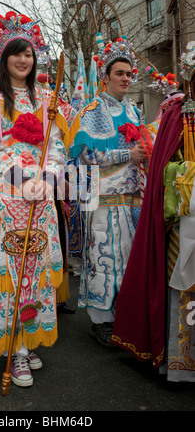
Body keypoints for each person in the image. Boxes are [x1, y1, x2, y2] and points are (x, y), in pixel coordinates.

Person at [0, 11, 74, 388]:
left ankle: (27, 337)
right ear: (4, 58)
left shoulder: (47, 97)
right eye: (16, 52)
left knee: (37, 275)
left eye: (28, 52)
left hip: (40, 200)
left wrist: (48, 177)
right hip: (5, 200)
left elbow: (57, 145)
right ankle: (14, 352)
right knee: (10, 276)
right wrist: (22, 177)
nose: (23, 59)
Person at [112, 41, 195, 381]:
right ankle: (181, 362)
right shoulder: (179, 112)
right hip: (186, 216)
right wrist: (184, 177)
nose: (127, 78)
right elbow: (164, 167)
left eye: (130, 74)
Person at [69, 34, 149, 347]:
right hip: (103, 200)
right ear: (105, 77)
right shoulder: (92, 110)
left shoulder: (135, 112)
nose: (126, 78)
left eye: (130, 74)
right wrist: (126, 154)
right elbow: (86, 156)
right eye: (120, 73)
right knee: (103, 259)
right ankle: (101, 321)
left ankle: (125, 315)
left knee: (129, 262)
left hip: (132, 199)